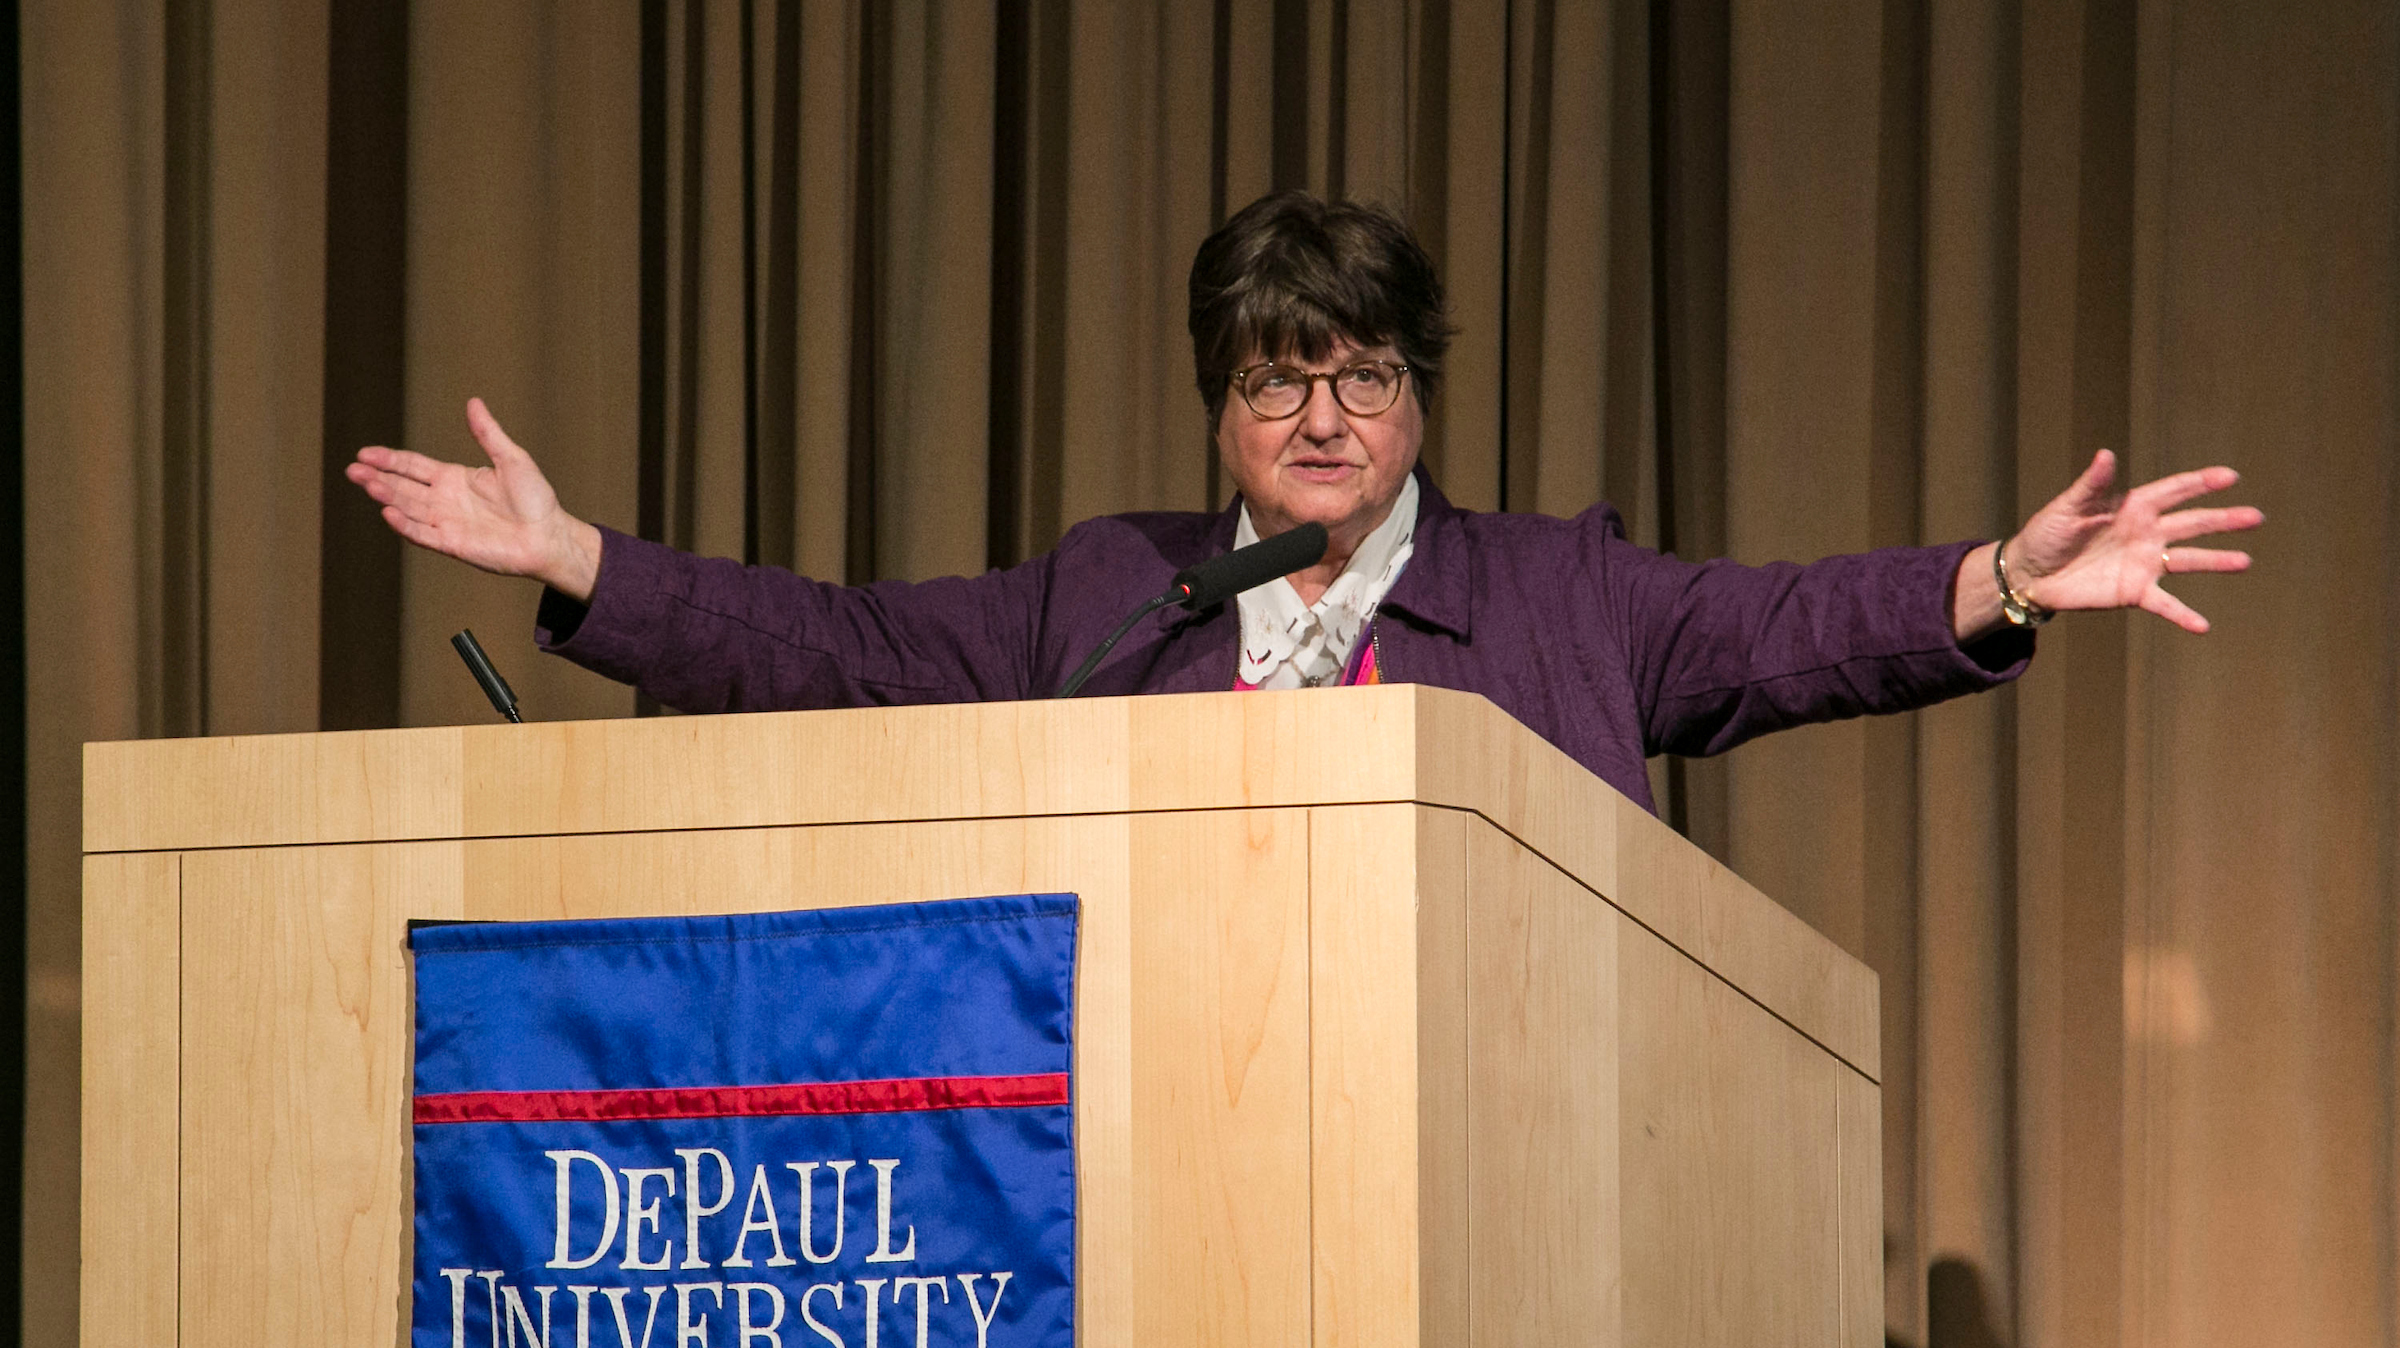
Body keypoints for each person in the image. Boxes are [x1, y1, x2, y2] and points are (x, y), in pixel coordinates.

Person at [347, 192, 2259, 813]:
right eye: (1277, 377)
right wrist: (580, 561)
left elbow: (1793, 630)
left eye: (1363, 374)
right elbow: (837, 650)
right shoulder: (1115, 597)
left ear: (1420, 394)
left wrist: (2003, 578)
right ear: (1222, 407)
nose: (1323, 416)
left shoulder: (1562, 599)